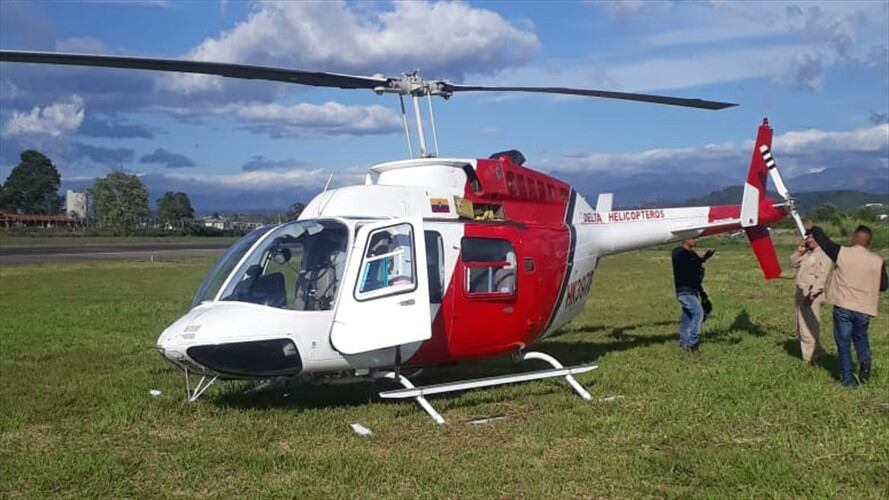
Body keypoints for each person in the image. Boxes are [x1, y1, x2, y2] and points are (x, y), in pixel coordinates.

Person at [810, 225, 888, 386]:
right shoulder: (878, 261)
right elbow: (884, 285)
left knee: (843, 344)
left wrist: (815, 229)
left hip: (843, 306)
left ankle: (848, 379)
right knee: (861, 337)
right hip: (864, 309)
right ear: (868, 242)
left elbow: (825, 242)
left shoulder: (841, 253)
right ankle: (865, 362)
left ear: (854, 238)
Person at [789, 233, 833, 363]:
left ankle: (810, 357)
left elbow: (822, 277)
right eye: (808, 238)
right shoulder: (808, 253)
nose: (810, 240)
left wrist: (812, 294)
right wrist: (799, 251)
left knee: (808, 325)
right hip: (801, 292)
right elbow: (793, 262)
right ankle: (817, 351)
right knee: (801, 324)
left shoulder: (823, 254)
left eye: (813, 237)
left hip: (811, 295)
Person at [671, 238, 716, 352]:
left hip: (693, 290)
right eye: (693, 238)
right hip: (684, 291)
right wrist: (699, 260)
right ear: (685, 239)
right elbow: (686, 263)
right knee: (698, 313)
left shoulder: (692, 255)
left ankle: (684, 344)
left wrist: (702, 259)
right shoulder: (678, 252)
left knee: (688, 318)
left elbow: (695, 272)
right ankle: (693, 342)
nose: (696, 240)